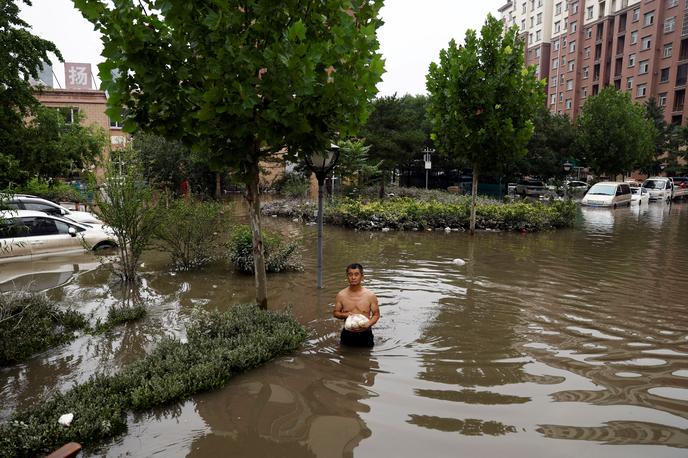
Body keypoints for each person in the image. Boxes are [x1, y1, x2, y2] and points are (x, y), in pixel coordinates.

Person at [333, 263, 380, 347]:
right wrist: (345, 315)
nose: (353, 277)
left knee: (366, 358)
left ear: (362, 277)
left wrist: (368, 324)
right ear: (347, 276)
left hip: (365, 333)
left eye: (356, 274)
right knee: (344, 357)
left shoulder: (370, 295)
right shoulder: (341, 295)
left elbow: (376, 315)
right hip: (347, 334)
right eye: (350, 274)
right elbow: (335, 313)